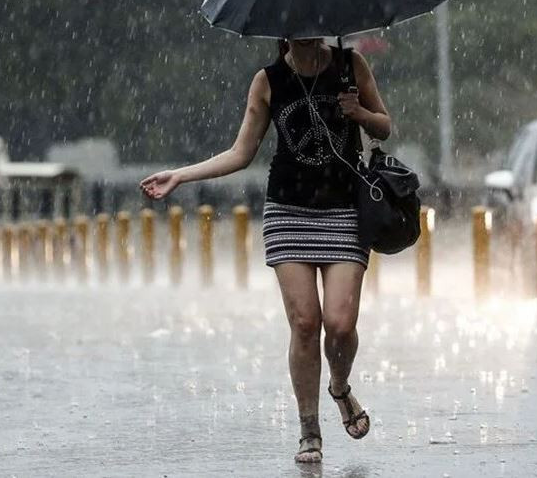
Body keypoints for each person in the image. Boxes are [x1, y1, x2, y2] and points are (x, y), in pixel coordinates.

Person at [140, 38, 391, 464]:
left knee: (342, 323)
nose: (303, 32)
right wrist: (180, 176)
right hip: (288, 212)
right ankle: (309, 429)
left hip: (345, 210)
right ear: (283, 31)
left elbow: (384, 126)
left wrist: (359, 113)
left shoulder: (351, 65)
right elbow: (241, 152)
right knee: (306, 323)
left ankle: (340, 387)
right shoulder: (269, 80)